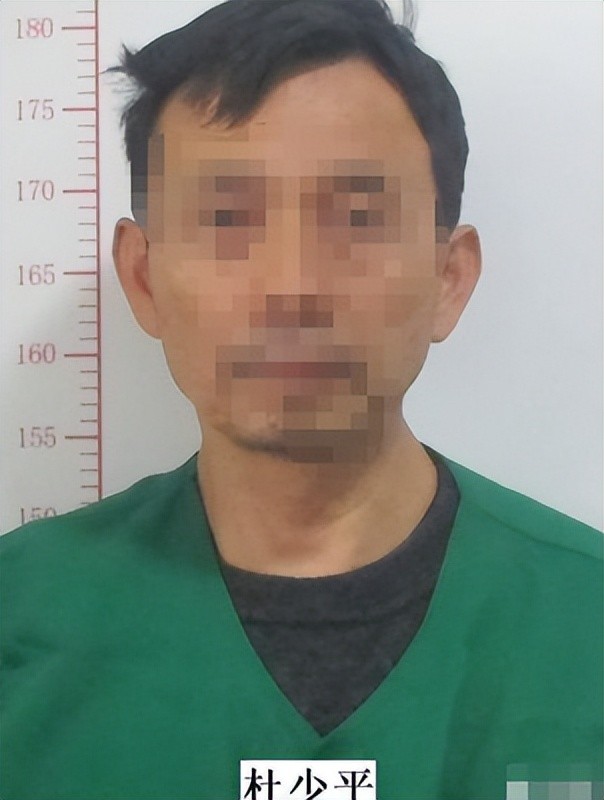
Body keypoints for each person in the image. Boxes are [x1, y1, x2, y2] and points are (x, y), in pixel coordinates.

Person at [1, 1, 602, 798]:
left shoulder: (586, 624)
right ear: (143, 278)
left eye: (357, 220)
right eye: (225, 219)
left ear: (448, 280)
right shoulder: (19, 622)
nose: (290, 287)